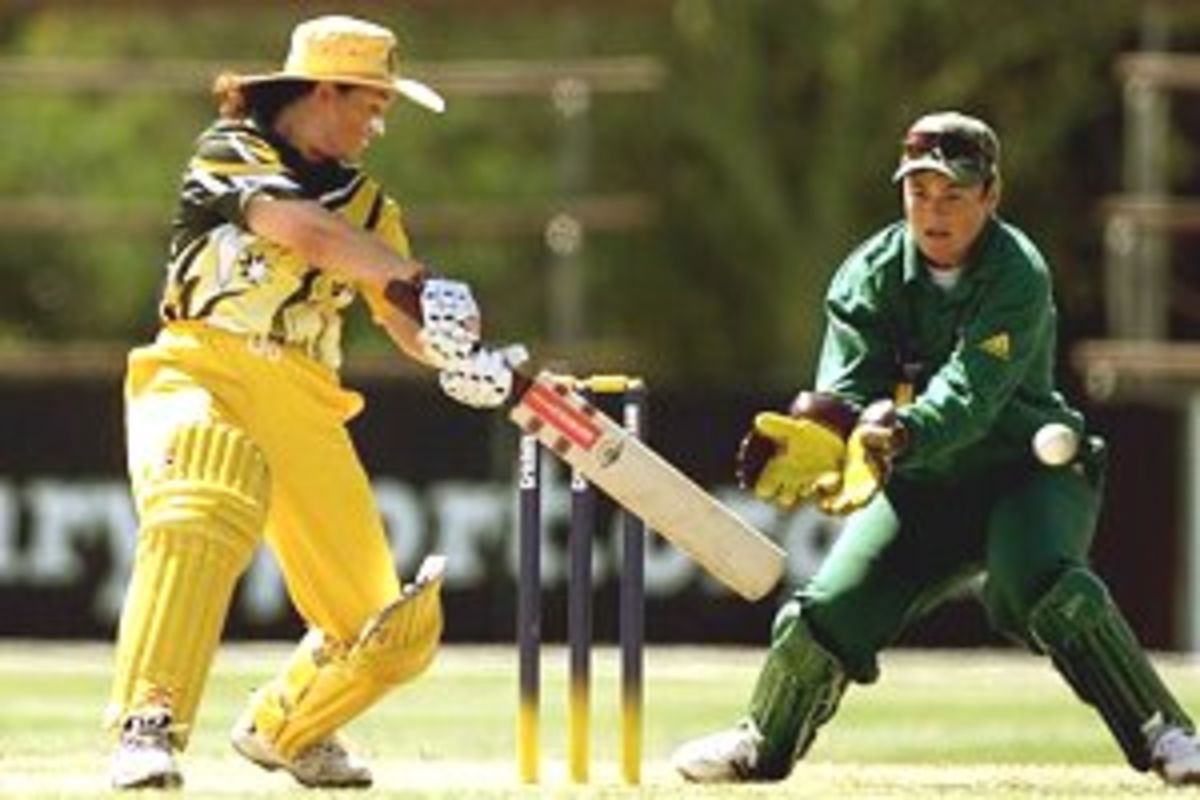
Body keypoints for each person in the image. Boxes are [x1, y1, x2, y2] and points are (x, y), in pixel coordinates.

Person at [671, 111, 1200, 787]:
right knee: (827, 614)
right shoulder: (868, 274)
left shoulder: (1018, 274)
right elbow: (849, 383)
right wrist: (831, 434)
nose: (935, 211)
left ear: (991, 195)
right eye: (919, 193)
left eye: (953, 193)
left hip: (1026, 476)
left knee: (1043, 589)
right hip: (922, 488)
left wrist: (899, 435)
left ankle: (1167, 734)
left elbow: (970, 395)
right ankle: (761, 742)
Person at [105, 15, 525, 790]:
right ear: (323, 89)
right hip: (202, 368)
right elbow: (306, 233)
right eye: (370, 102)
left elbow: (403, 322)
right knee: (200, 502)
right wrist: (416, 279)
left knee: (387, 631)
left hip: (303, 395)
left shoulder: (373, 208)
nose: (379, 122)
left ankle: (286, 728)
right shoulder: (230, 150)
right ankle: (147, 723)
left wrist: (460, 355)